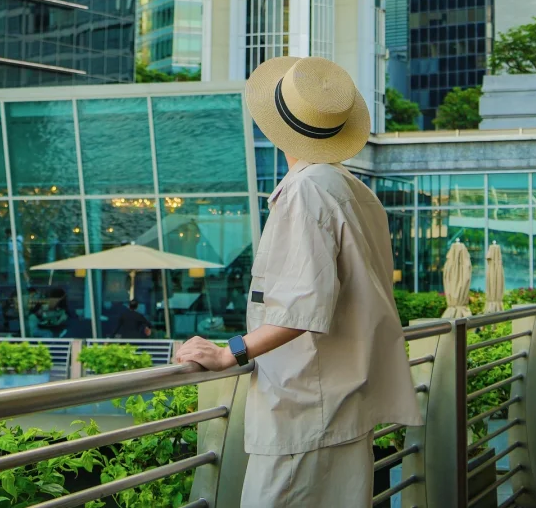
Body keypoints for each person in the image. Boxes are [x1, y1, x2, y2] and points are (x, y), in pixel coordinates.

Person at [175, 56, 420, 508]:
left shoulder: (306, 190)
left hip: (303, 408)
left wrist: (229, 351)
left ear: (276, 127)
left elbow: (301, 308)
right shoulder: (354, 190)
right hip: (344, 402)